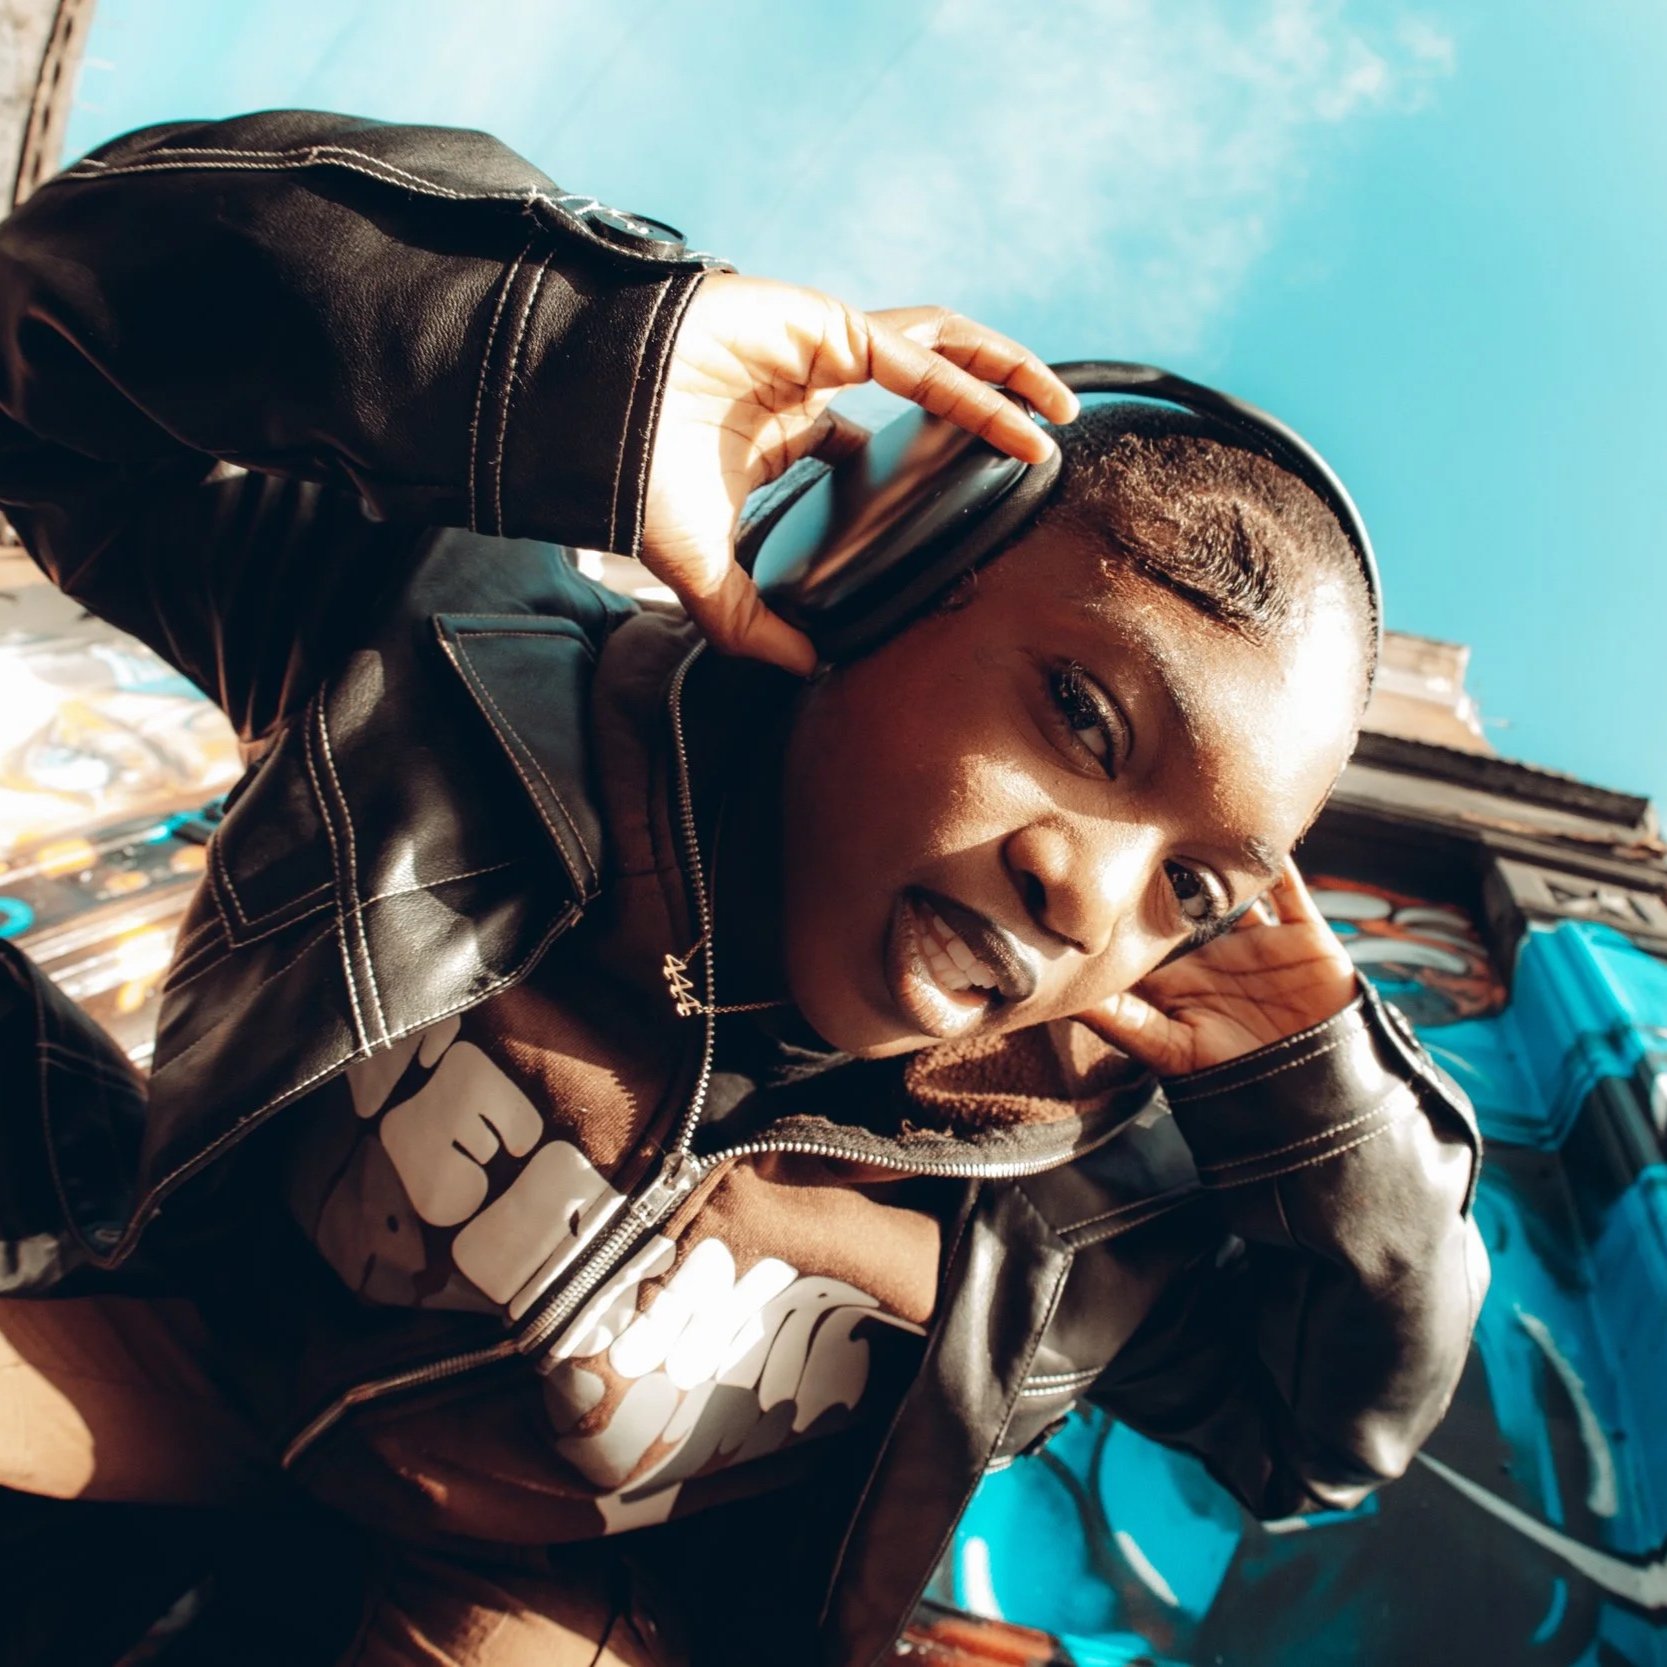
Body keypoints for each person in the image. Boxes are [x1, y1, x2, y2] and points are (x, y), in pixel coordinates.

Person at [0, 112, 1487, 1666]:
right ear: (873, 562)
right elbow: (49, 363)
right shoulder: (449, 661)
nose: (1084, 891)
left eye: (1188, 890)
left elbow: (1321, 1438)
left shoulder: (1085, 1208)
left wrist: (1330, 1112)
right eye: (1084, 719)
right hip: (177, 1362)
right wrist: (579, 355)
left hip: (537, 1620)